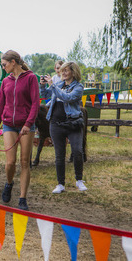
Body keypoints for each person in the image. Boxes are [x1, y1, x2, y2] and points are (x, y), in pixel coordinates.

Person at [0, 50, 40, 210]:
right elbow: (0, 106)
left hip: (26, 126)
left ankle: (22, 198)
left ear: (13, 62)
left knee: (24, 162)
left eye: (4, 64)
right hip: (9, 124)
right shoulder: (5, 82)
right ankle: (9, 183)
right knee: (10, 162)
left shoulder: (31, 78)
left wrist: (28, 124)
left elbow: (36, 104)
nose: (3, 68)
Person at [39, 61, 87, 194]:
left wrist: (52, 86)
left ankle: (79, 180)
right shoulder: (58, 84)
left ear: (73, 72)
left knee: (77, 151)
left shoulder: (78, 87)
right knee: (59, 155)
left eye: (66, 70)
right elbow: (46, 95)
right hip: (55, 123)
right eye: (62, 70)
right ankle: (60, 184)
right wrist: (43, 86)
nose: (63, 73)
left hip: (73, 123)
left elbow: (68, 98)